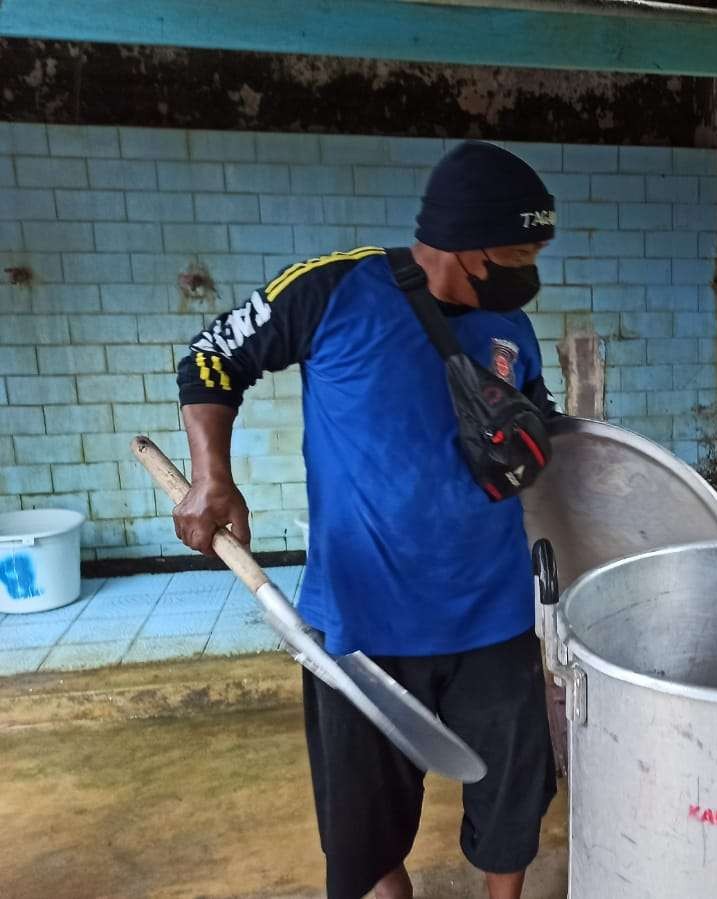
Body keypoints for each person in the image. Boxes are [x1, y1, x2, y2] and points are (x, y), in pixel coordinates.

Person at [171, 140, 561, 899]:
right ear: (467, 244)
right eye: (521, 248)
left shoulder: (513, 326)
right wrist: (211, 477)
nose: (530, 269)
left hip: (494, 613)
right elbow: (212, 356)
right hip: (362, 623)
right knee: (362, 827)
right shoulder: (335, 289)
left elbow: (537, 433)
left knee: (515, 798)